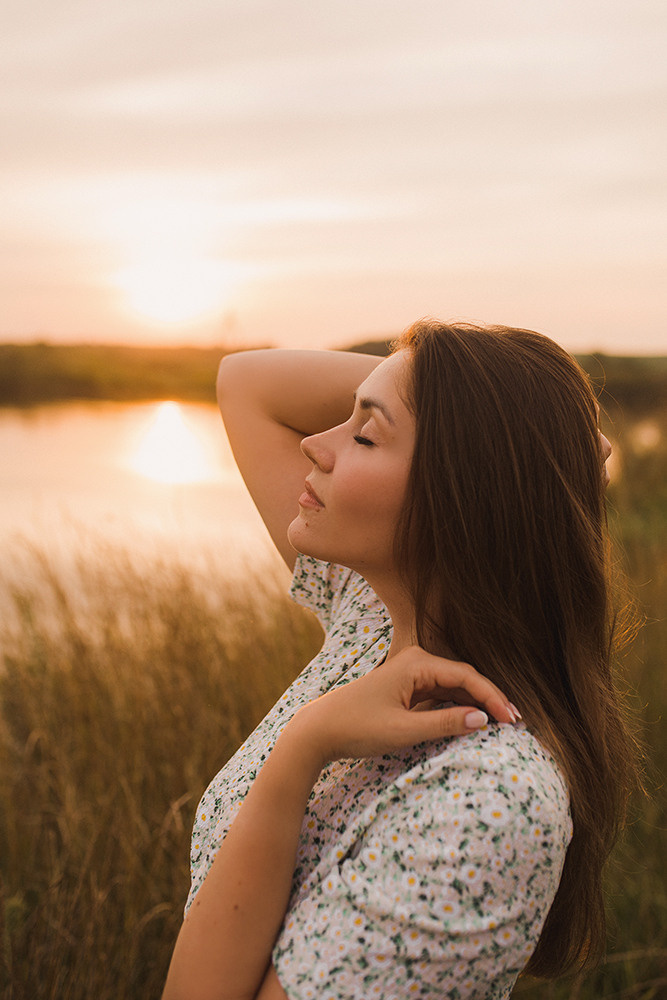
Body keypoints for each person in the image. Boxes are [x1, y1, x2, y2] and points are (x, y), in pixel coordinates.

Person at [162, 320, 636, 1000]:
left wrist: (304, 747)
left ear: (461, 495)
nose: (312, 446)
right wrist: (502, 406)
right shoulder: (375, 615)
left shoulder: (486, 804)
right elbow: (247, 382)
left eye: (362, 434)